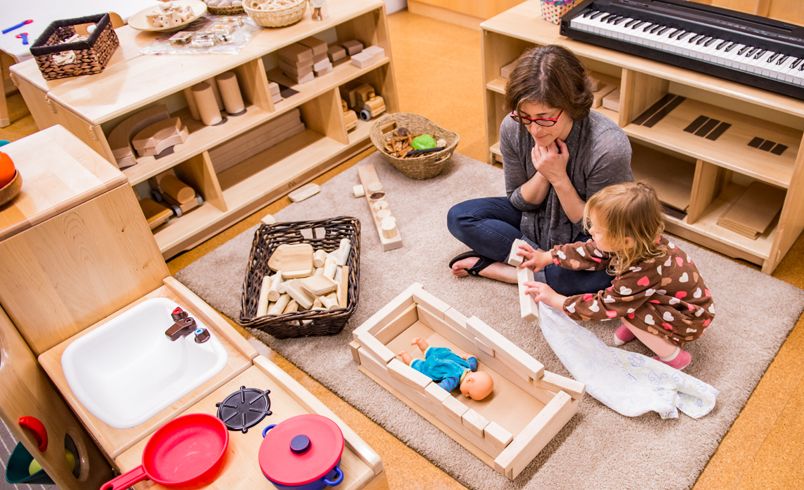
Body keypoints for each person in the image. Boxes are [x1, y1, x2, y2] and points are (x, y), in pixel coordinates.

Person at [447, 44, 632, 295]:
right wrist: (543, 172)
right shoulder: (513, 127)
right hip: (532, 218)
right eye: (525, 117)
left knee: (609, 271)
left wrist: (560, 178)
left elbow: (598, 230)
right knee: (460, 217)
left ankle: (510, 272)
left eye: (545, 118)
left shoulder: (608, 147)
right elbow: (517, 200)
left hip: (590, 233)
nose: (535, 130)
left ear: (572, 105)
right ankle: (539, 265)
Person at [519, 182, 715, 370]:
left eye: (598, 230)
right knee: (627, 302)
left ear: (626, 241)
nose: (591, 231)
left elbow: (607, 306)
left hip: (689, 317)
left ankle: (674, 357)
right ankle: (643, 328)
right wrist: (548, 256)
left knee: (626, 310)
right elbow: (589, 251)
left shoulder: (645, 268)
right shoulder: (636, 243)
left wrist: (558, 300)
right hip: (668, 301)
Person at [398, 337, 494, 400]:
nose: (466, 396)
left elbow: (473, 359)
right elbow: (442, 388)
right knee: (418, 367)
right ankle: (405, 356)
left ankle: (420, 342)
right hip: (433, 366)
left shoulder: (470, 367)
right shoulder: (454, 379)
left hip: (443, 354)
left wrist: (467, 356)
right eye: (469, 394)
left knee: (429, 350)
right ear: (469, 380)